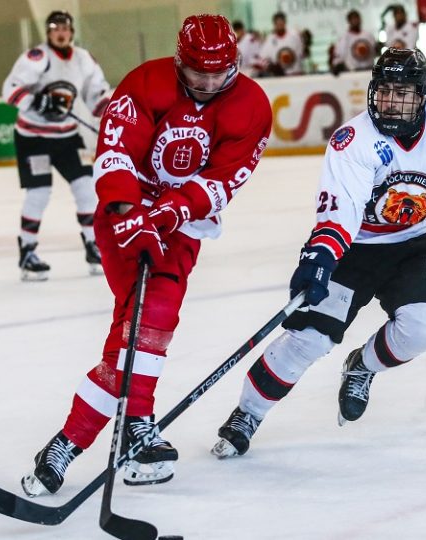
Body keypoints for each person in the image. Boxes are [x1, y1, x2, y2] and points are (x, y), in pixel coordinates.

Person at [210, 48, 426, 458]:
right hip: (353, 249)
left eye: (402, 93)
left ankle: (362, 366)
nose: (390, 101)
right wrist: (319, 258)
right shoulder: (353, 140)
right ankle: (248, 413)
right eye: (384, 90)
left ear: (422, 95)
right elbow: (341, 212)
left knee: (424, 325)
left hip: (413, 245)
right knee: (308, 338)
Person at [18, 14, 272, 496]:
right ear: (180, 62)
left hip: (181, 226)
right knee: (141, 324)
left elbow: (223, 179)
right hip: (124, 216)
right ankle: (133, 429)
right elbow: (115, 154)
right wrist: (128, 212)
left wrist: (172, 211)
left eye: (219, 73)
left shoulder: (251, 106)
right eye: (198, 73)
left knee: (148, 320)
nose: (209, 83)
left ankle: (71, 444)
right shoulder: (146, 83)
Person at [2, 11, 111, 281]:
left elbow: (97, 96)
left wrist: (112, 114)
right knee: (39, 193)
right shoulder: (38, 58)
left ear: (71, 32)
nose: (60, 33)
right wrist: (37, 101)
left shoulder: (83, 59)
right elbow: (10, 89)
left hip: (67, 137)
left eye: (64, 28)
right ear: (48, 33)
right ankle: (27, 252)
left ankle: (93, 246)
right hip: (33, 138)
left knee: (86, 188)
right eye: (55, 28)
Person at [254, 11, 305, 76]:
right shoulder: (270, 39)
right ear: (274, 24)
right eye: (277, 24)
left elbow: (301, 54)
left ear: (285, 23)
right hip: (280, 77)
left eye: (281, 23)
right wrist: (270, 66)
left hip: (296, 74)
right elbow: (261, 58)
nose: (279, 26)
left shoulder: (294, 36)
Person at [330, 9, 377, 75]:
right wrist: (337, 65)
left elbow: (375, 52)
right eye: (353, 19)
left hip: (369, 70)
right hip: (353, 72)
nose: (355, 20)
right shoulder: (344, 38)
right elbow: (339, 55)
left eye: (357, 18)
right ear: (349, 21)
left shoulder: (368, 35)